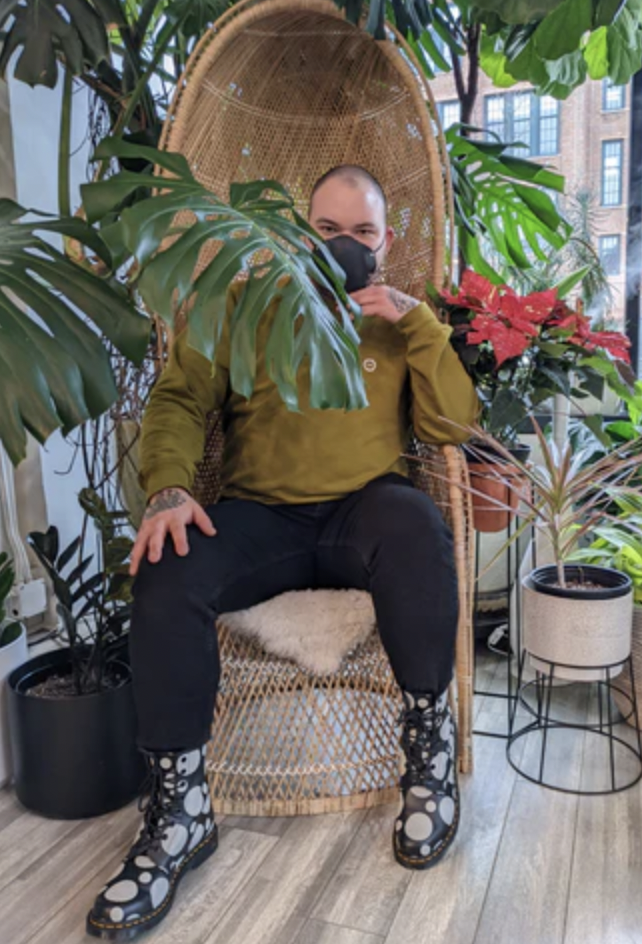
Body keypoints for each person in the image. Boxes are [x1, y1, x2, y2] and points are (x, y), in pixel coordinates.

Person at [86, 165, 479, 940]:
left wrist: (417, 326)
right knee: (165, 566)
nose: (346, 247)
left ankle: (428, 750)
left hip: (365, 512)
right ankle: (181, 809)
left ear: (386, 242)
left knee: (415, 527)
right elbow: (177, 399)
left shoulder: (401, 322)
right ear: (302, 233)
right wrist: (168, 488)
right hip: (259, 518)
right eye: (329, 231)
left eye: (363, 234)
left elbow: (451, 429)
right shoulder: (241, 305)